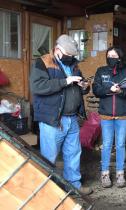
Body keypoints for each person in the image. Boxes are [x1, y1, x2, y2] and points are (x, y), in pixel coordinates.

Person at [30, 34, 92, 195]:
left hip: (72, 118)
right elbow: (38, 86)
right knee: (49, 157)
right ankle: (48, 191)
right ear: (57, 49)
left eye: (73, 56)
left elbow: (80, 86)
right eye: (68, 55)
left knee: (73, 154)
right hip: (53, 120)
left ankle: (74, 186)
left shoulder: (73, 64)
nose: (70, 58)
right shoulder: (42, 62)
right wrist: (65, 81)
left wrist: (84, 86)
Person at [92, 46, 126, 188]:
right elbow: (96, 90)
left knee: (121, 144)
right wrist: (109, 89)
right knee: (106, 145)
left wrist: (121, 90)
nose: (111, 58)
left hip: (123, 114)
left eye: (114, 55)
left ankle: (120, 173)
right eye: (108, 55)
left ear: (119, 57)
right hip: (106, 114)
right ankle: (105, 174)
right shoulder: (101, 71)